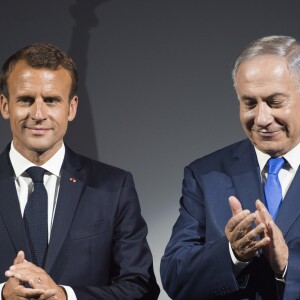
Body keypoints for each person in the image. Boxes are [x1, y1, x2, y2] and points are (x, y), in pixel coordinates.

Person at [0, 43, 160, 300]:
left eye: (51, 100)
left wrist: (66, 296)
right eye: (26, 100)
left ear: (71, 108)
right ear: (5, 105)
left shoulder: (114, 187)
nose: (38, 114)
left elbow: (140, 287)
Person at [160, 35, 300, 299]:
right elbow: (175, 276)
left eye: (275, 102)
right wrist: (232, 254)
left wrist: (287, 265)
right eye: (249, 103)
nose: (262, 118)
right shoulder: (205, 175)